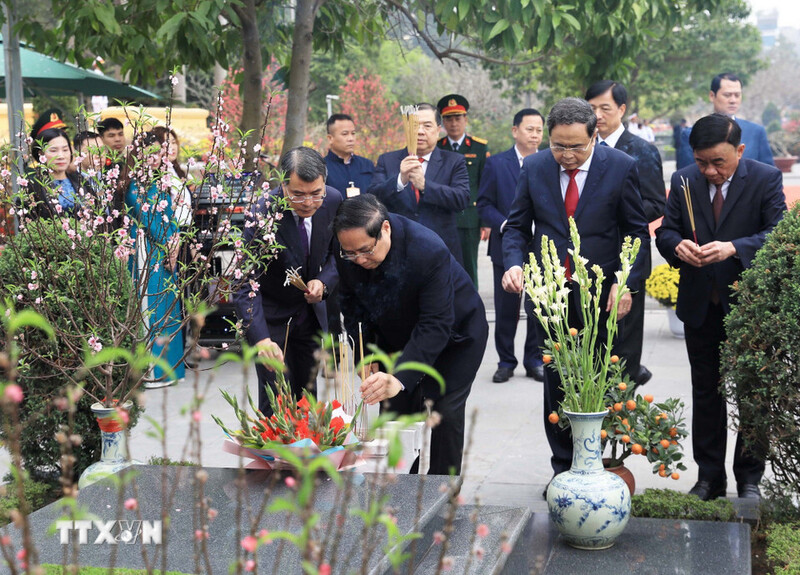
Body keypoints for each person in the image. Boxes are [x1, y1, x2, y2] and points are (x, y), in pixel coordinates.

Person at [501, 97, 650, 484]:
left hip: (601, 295)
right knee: (557, 381)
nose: (566, 155)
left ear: (594, 136)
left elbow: (636, 230)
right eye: (558, 146)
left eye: (575, 147)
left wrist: (626, 281)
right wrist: (514, 263)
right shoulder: (534, 167)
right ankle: (563, 467)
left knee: (602, 378)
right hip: (552, 297)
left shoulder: (620, 167)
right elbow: (517, 226)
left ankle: (600, 466)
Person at [656, 113, 786, 501]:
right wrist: (675, 246)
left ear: (740, 151)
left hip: (750, 309)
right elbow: (666, 231)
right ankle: (709, 477)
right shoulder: (683, 180)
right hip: (701, 306)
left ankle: (749, 478)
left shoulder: (764, 178)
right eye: (702, 162)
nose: (710, 171)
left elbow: (779, 235)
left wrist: (735, 248)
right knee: (707, 393)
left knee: (751, 394)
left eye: (719, 162)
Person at [333, 194, 488, 475]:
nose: (358, 259)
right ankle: (397, 493)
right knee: (396, 416)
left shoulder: (428, 250)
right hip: (395, 335)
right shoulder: (348, 247)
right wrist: (364, 354)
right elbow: (351, 303)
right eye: (350, 253)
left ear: (385, 229)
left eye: (366, 251)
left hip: (454, 336)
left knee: (444, 414)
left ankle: (442, 498)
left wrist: (401, 378)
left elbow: (436, 323)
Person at [233, 147, 342, 415]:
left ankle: (307, 453)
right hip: (272, 320)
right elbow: (244, 281)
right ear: (282, 186)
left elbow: (339, 254)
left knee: (308, 396)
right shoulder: (262, 214)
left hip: (310, 315)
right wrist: (260, 339)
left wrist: (323, 281)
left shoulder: (333, 201)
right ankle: (276, 456)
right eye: (298, 194)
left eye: (316, 193)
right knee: (276, 400)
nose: (308, 202)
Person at [586, 80, 667, 388]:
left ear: (621, 109)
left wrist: (611, 216)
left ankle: (623, 406)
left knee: (624, 346)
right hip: (587, 260)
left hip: (626, 260)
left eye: (604, 108)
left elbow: (656, 203)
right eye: (591, 108)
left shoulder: (641, 150)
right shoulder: (581, 148)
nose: (597, 115)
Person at [476, 108, 546, 384]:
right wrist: (506, 225)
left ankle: (534, 360)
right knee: (506, 308)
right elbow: (483, 205)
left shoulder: (548, 162)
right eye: (530, 129)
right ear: (515, 131)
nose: (535, 134)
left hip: (541, 249)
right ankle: (506, 361)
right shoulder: (497, 164)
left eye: (540, 129)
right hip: (505, 245)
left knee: (538, 308)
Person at [367, 103, 470, 264]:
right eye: (415, 126)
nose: (420, 131)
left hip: (441, 249)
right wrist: (400, 180)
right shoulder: (388, 160)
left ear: (438, 129)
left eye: (427, 126)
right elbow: (373, 198)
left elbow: (461, 199)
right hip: (398, 250)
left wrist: (425, 186)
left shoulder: (454, 161)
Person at [122, 131, 186, 388]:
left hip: (166, 247)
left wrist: (176, 240)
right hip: (145, 250)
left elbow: (170, 215)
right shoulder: (133, 187)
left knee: (168, 305)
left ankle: (170, 369)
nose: (155, 158)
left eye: (159, 152)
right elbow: (146, 220)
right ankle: (151, 371)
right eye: (148, 153)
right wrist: (168, 243)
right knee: (151, 305)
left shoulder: (161, 182)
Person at [436, 94, 489, 287]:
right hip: (441, 216)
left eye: (458, 118)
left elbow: (485, 185)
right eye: (448, 119)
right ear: (442, 122)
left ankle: (470, 309)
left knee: (468, 267)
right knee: (442, 265)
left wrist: (485, 221)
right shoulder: (437, 147)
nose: (453, 123)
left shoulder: (479, 147)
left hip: (469, 218)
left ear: (465, 119)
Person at [677, 73, 774, 169]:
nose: (733, 100)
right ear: (712, 96)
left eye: (737, 95)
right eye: (727, 95)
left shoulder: (756, 132)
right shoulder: (691, 134)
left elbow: (770, 176)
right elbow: (686, 177)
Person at [26, 127, 91, 219]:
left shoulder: (80, 180)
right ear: (41, 154)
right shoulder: (33, 186)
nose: (61, 156)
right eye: (53, 150)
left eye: (65, 150)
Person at [324, 113, 375, 197]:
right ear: (330, 138)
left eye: (353, 133)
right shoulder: (322, 168)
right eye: (345, 134)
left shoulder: (367, 165)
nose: (351, 138)